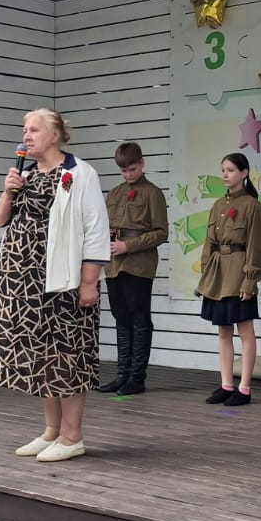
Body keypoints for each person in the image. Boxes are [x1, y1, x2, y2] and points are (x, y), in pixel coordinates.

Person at [0, 108, 110, 463]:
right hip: (22, 280)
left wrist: (89, 281)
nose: (27, 135)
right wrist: (8, 192)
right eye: (25, 129)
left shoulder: (79, 173)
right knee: (41, 354)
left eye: (34, 129)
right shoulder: (23, 174)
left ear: (55, 135)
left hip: (63, 280)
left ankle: (72, 436)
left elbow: (96, 229)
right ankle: (52, 430)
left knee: (67, 354)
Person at [98, 142, 169, 396]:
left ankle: (137, 377)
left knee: (139, 319)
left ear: (142, 163)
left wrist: (128, 245)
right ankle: (122, 375)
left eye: (132, 169)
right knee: (121, 318)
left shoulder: (153, 193)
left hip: (139, 264)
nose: (128, 174)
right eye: (123, 170)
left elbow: (161, 233)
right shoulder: (115, 193)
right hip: (114, 263)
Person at [196, 153, 261, 406]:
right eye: (223, 170)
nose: (225, 174)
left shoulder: (251, 205)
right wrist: (207, 272)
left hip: (239, 272)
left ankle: (244, 388)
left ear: (244, 173)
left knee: (245, 331)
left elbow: (256, 247)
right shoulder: (218, 205)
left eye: (231, 170)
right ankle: (226, 384)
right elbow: (209, 243)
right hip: (219, 274)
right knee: (223, 331)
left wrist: (250, 281)